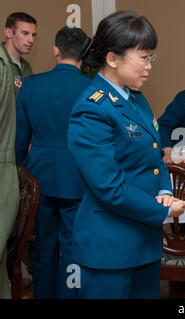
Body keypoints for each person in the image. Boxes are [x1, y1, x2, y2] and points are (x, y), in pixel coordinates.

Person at [67, 11, 185, 299]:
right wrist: (162, 210)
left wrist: (164, 190)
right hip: (109, 248)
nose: (149, 66)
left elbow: (154, 156)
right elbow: (108, 186)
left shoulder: (137, 99)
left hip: (143, 241)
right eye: (144, 57)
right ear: (112, 59)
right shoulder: (92, 109)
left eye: (151, 58)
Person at [15, 26, 93, 299]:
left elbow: (20, 139)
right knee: (73, 246)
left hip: (40, 176)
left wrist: (27, 167)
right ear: (84, 54)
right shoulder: (92, 88)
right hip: (78, 177)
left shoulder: (32, 84)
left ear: (56, 50)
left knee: (43, 246)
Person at [0, 11, 36, 299]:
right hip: (3, 160)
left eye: (34, 35)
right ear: (8, 32)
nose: (31, 39)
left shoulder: (27, 70)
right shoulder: (1, 65)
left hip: (20, 162)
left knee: (14, 234)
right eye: (25, 33)